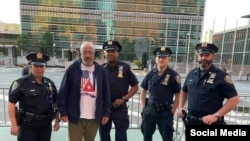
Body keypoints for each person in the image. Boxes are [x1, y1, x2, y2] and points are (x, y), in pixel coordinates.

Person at [57, 42, 111, 141]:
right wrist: (63, 112)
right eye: (84, 52)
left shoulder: (101, 71)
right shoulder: (72, 69)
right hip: (75, 117)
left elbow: (106, 94)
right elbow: (63, 92)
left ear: (94, 54)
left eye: (90, 52)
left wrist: (106, 113)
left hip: (94, 117)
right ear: (80, 54)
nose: (87, 55)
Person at [177, 42, 239, 125]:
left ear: (213, 56)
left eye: (207, 55)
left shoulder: (221, 76)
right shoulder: (192, 74)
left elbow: (234, 99)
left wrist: (216, 115)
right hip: (191, 121)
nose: (203, 58)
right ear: (197, 56)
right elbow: (184, 91)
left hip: (210, 123)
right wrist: (180, 107)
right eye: (201, 55)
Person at [8, 52, 60, 141]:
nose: (39, 69)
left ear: (45, 68)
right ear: (30, 67)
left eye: (41, 66)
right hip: (27, 126)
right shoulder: (21, 83)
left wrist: (57, 121)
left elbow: (55, 104)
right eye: (36, 65)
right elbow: (11, 104)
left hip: (45, 126)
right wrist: (14, 124)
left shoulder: (49, 83)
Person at [99, 40, 139, 141]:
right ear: (105, 53)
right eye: (108, 51)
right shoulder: (100, 69)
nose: (110, 53)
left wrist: (123, 99)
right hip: (104, 108)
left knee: (121, 135)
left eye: (113, 51)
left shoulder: (125, 68)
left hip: (119, 108)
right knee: (104, 134)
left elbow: (135, 87)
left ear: (117, 52)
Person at [140, 47, 181, 141]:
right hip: (150, 111)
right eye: (159, 57)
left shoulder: (174, 76)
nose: (161, 59)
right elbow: (143, 91)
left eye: (164, 57)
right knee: (146, 137)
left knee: (167, 138)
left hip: (165, 112)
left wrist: (172, 111)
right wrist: (143, 108)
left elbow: (178, 95)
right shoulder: (150, 74)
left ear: (168, 59)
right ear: (155, 59)